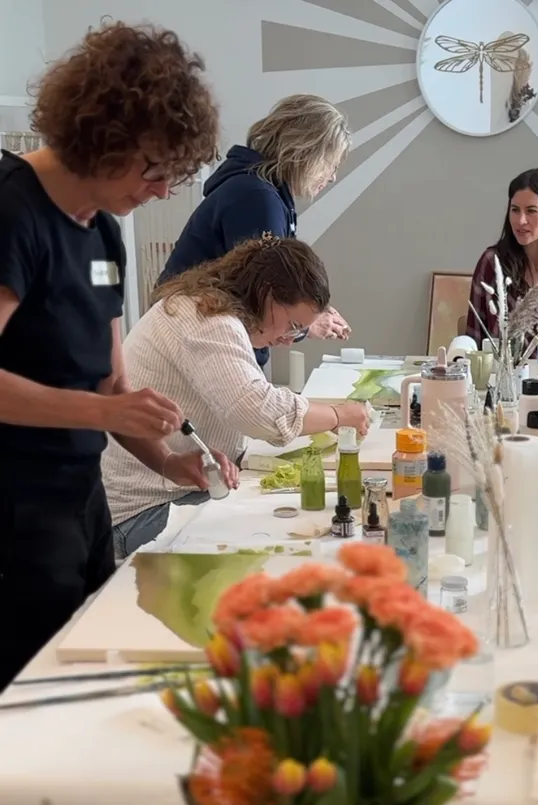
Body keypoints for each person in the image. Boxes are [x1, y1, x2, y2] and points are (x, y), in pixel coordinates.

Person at [0, 22, 234, 690]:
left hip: (82, 503)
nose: (162, 190)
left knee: (90, 671)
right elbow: (103, 401)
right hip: (15, 512)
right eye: (152, 169)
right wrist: (105, 408)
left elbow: (112, 383)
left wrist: (171, 456)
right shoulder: (13, 214)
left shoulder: (102, 232)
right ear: (103, 134)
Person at [102, 235, 372, 559]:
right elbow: (259, 412)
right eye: (293, 325)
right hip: (143, 510)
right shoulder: (209, 318)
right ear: (268, 294)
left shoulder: (215, 308)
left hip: (177, 490)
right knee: (282, 551)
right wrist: (339, 416)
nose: (288, 339)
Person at [159, 94, 353, 367]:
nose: (332, 175)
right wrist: (307, 324)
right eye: (331, 164)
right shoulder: (257, 198)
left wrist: (307, 314)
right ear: (308, 151)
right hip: (197, 345)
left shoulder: (257, 190)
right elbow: (261, 298)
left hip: (197, 338)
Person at [465, 168, 538, 355]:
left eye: (531, 211)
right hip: (499, 379)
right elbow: (473, 338)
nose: (521, 220)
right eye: (515, 210)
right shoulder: (492, 263)